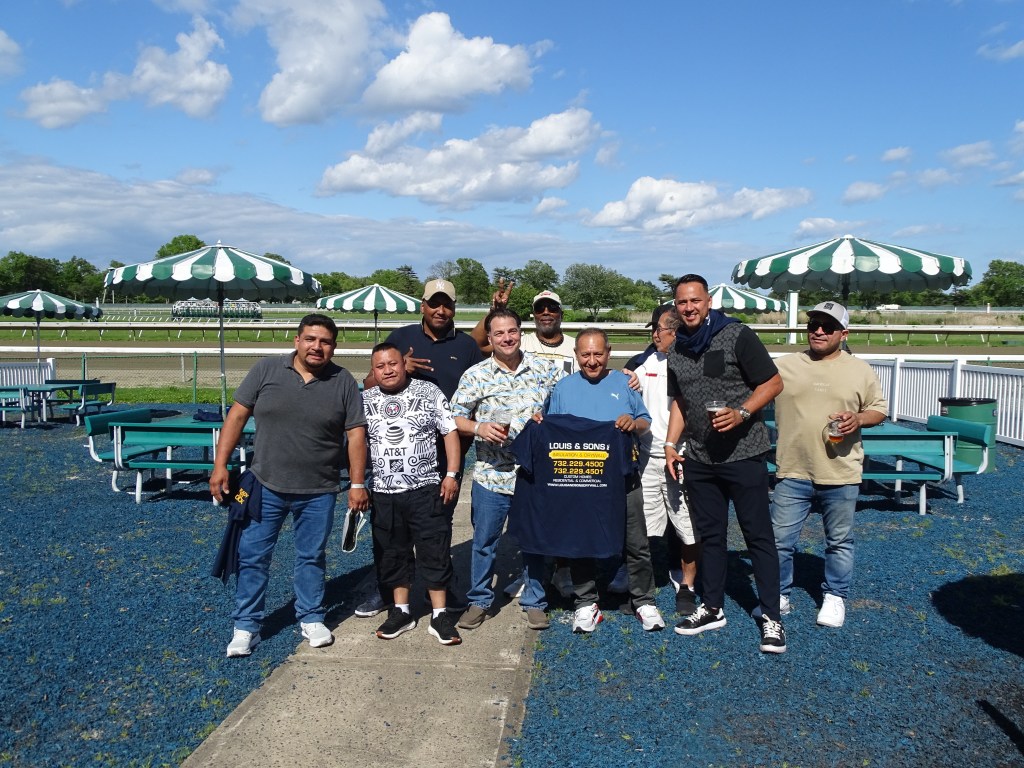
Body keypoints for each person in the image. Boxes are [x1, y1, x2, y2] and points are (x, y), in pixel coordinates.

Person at [210, 313, 369, 658]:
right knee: (253, 555)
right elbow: (236, 416)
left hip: (319, 490)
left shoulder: (342, 381)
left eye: (325, 341)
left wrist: (357, 482)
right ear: (297, 341)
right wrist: (220, 465)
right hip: (265, 485)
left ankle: (311, 616)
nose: (317, 347)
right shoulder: (266, 370)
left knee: (311, 556)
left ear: (334, 346)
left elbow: (356, 434)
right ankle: (246, 626)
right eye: (310, 339)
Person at [662, 274, 787, 654]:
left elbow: (773, 382)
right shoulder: (676, 349)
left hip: (744, 453)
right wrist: (670, 444)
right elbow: (681, 403)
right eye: (682, 302)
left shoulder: (737, 335)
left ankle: (771, 617)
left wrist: (743, 412)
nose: (689, 308)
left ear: (709, 300)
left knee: (758, 536)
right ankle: (712, 607)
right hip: (700, 456)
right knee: (710, 537)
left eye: (695, 301)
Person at [354, 278, 484, 618]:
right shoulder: (401, 339)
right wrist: (401, 368)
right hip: (393, 457)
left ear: (454, 308)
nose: (441, 310)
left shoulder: (467, 345)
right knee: (391, 532)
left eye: (447, 304)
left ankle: (440, 588)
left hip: (446, 451)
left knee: (436, 528)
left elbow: (477, 391)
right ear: (422, 305)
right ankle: (387, 593)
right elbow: (369, 383)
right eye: (434, 303)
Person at [768, 301, 887, 628]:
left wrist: (859, 418)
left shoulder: (859, 369)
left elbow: (879, 409)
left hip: (841, 471)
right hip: (792, 469)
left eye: (828, 326)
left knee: (838, 540)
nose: (818, 331)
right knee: (779, 540)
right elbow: (745, 378)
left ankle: (835, 596)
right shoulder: (784, 365)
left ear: (844, 333)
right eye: (813, 324)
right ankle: (779, 593)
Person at [539, 327, 665, 633]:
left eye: (598, 354)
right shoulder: (563, 388)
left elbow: (645, 421)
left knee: (636, 541)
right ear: (576, 355)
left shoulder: (624, 383)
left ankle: (644, 600)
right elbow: (551, 429)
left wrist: (633, 423)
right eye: (585, 354)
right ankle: (586, 603)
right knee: (582, 541)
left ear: (608, 353)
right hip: (581, 480)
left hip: (624, 476)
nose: (592, 361)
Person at [450, 308, 564, 631]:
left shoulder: (545, 370)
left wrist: (549, 420)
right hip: (491, 475)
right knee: (484, 541)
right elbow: (452, 417)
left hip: (532, 475)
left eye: (512, 331)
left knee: (534, 542)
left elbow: (564, 406)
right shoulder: (476, 375)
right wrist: (478, 427)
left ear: (520, 332)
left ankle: (535, 601)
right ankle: (479, 600)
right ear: (490, 338)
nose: (507, 338)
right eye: (499, 334)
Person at [362, 342, 464, 645]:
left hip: (424, 489)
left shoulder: (429, 392)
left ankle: (440, 615)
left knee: (434, 550)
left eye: (393, 363)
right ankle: (401, 611)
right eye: (380, 366)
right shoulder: (364, 400)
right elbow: (354, 441)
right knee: (393, 553)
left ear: (403, 364)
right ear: (373, 371)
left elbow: (449, 432)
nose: (387, 370)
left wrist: (452, 475)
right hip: (384, 492)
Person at [624, 305, 701, 616]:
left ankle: (688, 585)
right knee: (643, 525)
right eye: (653, 329)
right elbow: (627, 388)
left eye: (660, 329)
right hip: (646, 458)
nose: (654, 334)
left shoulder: (693, 364)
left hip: (681, 456)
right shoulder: (645, 364)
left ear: (677, 331)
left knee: (687, 525)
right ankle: (642, 586)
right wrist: (625, 381)